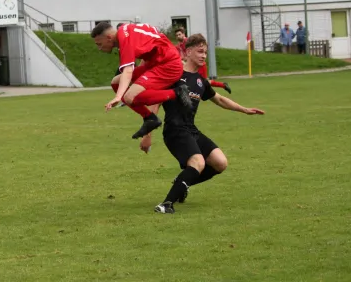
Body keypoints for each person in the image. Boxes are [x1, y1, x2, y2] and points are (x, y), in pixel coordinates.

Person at [154, 34, 264, 214]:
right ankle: (166, 204)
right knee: (198, 162)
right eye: (199, 51)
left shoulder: (200, 81)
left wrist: (245, 110)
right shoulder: (174, 74)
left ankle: (182, 182)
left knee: (220, 163)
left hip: (191, 129)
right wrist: (149, 131)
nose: (204, 55)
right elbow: (155, 101)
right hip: (175, 130)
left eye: (205, 52)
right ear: (188, 52)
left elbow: (219, 100)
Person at [91, 22, 192, 139]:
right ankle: (150, 118)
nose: (99, 48)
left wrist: (118, 97)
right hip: (157, 62)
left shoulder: (124, 38)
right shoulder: (126, 30)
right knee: (115, 82)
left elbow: (128, 71)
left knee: (129, 97)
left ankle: (178, 92)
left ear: (109, 38)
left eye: (99, 44)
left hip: (167, 65)